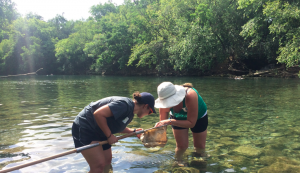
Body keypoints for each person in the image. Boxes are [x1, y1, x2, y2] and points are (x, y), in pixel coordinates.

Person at [72, 92, 156, 173]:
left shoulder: (130, 113)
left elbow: (116, 127)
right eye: (150, 111)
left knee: (107, 161)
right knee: (98, 166)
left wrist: (133, 131)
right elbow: (98, 114)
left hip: (100, 130)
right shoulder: (124, 105)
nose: (149, 114)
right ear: (146, 106)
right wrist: (109, 136)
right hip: (85, 127)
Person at [154, 82, 208, 161]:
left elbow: (191, 123)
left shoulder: (190, 95)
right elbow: (163, 123)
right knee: (181, 146)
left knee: (199, 147)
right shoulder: (164, 98)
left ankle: (200, 163)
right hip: (176, 118)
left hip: (198, 117)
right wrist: (160, 134)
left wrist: (169, 121)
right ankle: (178, 162)